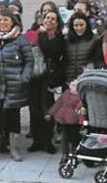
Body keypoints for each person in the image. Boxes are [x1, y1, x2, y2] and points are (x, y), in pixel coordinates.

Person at [0, 9, 33, 161]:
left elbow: (29, 61)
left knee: (13, 118)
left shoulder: (21, 39)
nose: (2, 23)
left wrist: (24, 77)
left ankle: (15, 150)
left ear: (13, 21)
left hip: (14, 85)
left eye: (5, 20)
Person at [28, 10, 64, 154]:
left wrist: (43, 34)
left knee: (47, 109)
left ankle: (47, 141)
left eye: (53, 19)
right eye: (47, 18)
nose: (49, 20)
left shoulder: (59, 37)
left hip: (48, 78)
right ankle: (36, 141)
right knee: (34, 109)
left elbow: (50, 51)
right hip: (33, 77)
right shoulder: (32, 33)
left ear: (57, 22)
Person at [45, 80, 82, 164]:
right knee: (67, 139)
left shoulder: (78, 96)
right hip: (65, 120)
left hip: (72, 121)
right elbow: (58, 104)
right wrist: (50, 113)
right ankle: (67, 155)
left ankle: (72, 155)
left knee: (73, 140)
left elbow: (58, 104)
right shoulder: (68, 93)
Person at [64, 12, 97, 84]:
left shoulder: (94, 39)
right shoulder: (66, 40)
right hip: (69, 80)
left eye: (82, 25)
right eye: (76, 25)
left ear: (87, 24)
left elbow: (97, 59)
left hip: (87, 79)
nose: (79, 28)